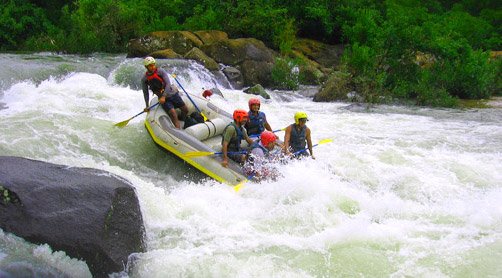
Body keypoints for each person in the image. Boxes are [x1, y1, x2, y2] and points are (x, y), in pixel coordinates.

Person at [141, 56, 188, 129]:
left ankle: (182, 121)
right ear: (146, 67)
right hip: (163, 99)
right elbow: (145, 93)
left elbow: (168, 84)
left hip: (172, 94)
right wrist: (147, 106)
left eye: (153, 64)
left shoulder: (161, 71)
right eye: (150, 65)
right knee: (173, 113)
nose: (153, 67)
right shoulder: (144, 79)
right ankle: (178, 130)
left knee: (185, 110)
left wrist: (164, 96)